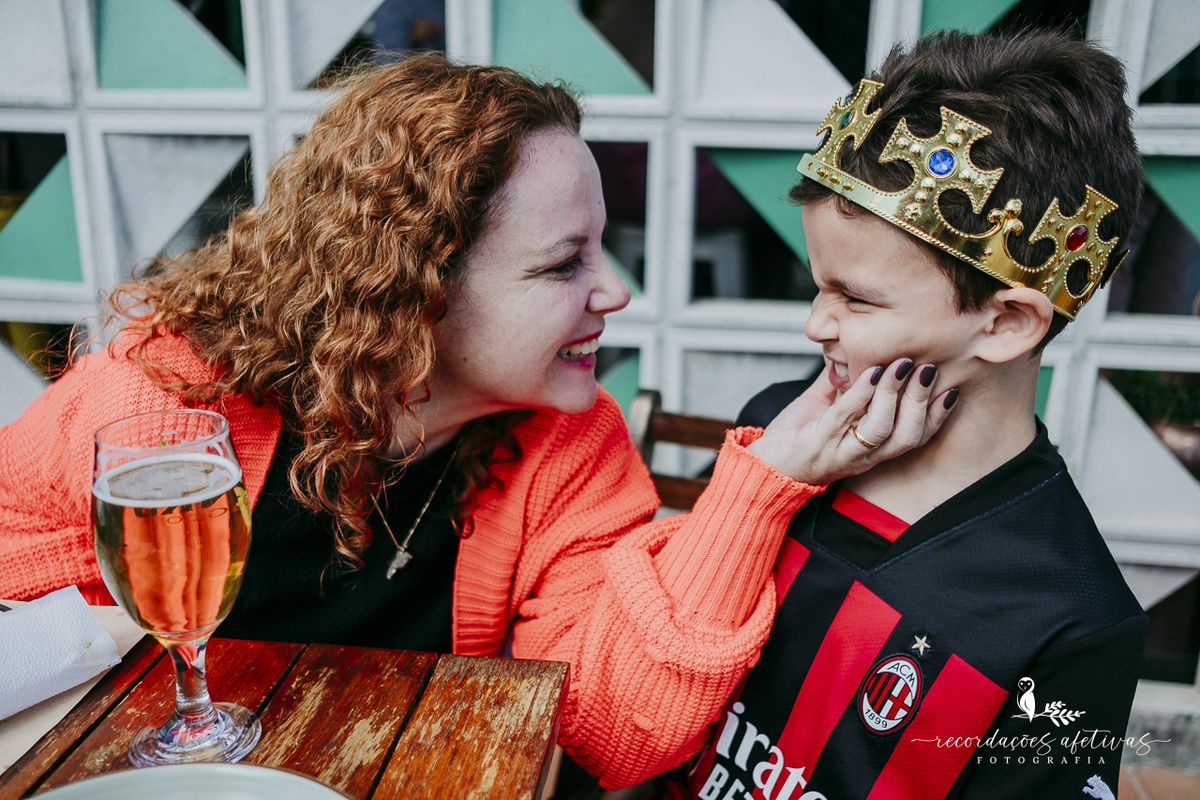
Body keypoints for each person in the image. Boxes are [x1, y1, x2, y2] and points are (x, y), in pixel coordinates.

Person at [0, 55, 956, 786]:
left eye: (601, 254)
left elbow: (616, 733)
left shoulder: (570, 442)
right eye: (561, 265)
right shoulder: (175, 395)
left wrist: (759, 485)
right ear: (411, 287)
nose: (614, 293)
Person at [669, 30, 1149, 800]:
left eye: (855, 297)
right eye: (817, 283)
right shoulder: (779, 431)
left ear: (1005, 322)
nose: (816, 325)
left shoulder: (1069, 618)